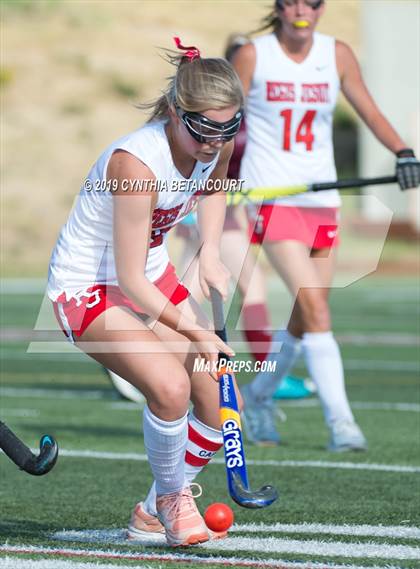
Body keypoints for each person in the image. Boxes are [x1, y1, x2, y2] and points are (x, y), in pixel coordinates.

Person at [47, 38, 245, 547]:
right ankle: (174, 498)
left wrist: (210, 251)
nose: (213, 142)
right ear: (177, 112)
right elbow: (129, 281)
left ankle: (153, 509)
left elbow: (216, 186)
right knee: (171, 387)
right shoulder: (135, 163)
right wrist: (196, 331)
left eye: (226, 129)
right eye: (202, 128)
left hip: (147, 274)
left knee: (222, 401)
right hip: (86, 285)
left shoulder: (216, 143)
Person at [233, 0, 420, 449]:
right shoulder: (254, 55)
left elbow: (369, 110)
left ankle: (258, 397)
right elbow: (225, 119)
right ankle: (342, 425)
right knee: (318, 309)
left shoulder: (336, 55)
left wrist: (402, 152)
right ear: (278, 7)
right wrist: (211, 179)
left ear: (321, 8)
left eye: (311, 2)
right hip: (269, 197)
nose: (301, 10)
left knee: (304, 314)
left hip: (322, 199)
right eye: (292, 2)